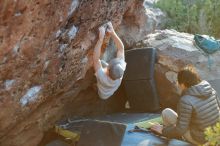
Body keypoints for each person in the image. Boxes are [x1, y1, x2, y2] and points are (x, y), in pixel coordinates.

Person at [150, 65, 220, 145]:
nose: (177, 84)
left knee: (167, 116)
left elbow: (180, 130)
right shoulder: (210, 89)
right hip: (215, 136)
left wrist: (162, 130)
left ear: (183, 84)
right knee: (167, 113)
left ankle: (174, 140)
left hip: (201, 140)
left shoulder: (186, 100)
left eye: (177, 82)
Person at [93, 22, 126, 100]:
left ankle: (95, 88)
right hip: (109, 90)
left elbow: (95, 59)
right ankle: (96, 86)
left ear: (107, 71)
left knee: (99, 91)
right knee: (102, 63)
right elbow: (121, 49)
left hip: (103, 94)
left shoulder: (101, 76)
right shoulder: (119, 74)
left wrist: (100, 39)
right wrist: (113, 33)